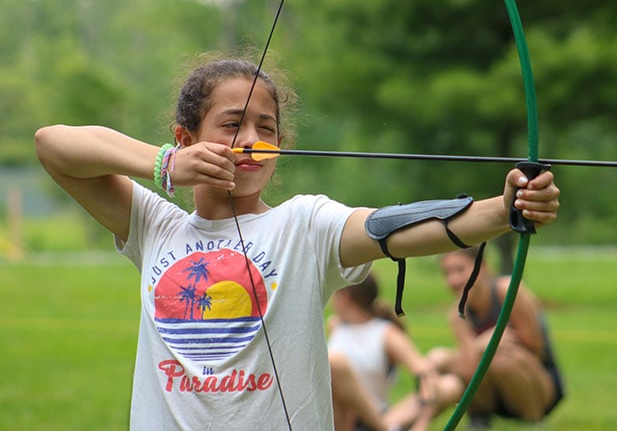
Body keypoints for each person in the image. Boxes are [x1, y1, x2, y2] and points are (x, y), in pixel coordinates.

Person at [34, 55, 560, 429]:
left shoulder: (305, 225)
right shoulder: (154, 225)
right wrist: (164, 165)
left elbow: (392, 228)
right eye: (231, 124)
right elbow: (53, 145)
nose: (250, 141)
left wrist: (503, 208)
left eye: (265, 129)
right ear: (185, 138)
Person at [387, 247, 564, 429]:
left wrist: (492, 349)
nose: (453, 280)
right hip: (494, 395)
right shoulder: (457, 314)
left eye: (460, 270)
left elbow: (536, 347)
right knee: (440, 359)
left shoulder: (507, 291)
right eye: (447, 273)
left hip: (538, 387)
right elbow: (469, 365)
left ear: (483, 267)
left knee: (500, 360)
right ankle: (393, 422)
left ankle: (533, 420)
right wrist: (483, 344)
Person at [327, 272, 463, 431]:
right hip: (340, 417)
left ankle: (384, 426)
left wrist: (422, 422)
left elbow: (425, 373)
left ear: (344, 296)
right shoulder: (336, 326)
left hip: (376, 416)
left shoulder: (386, 334)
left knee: (451, 384)